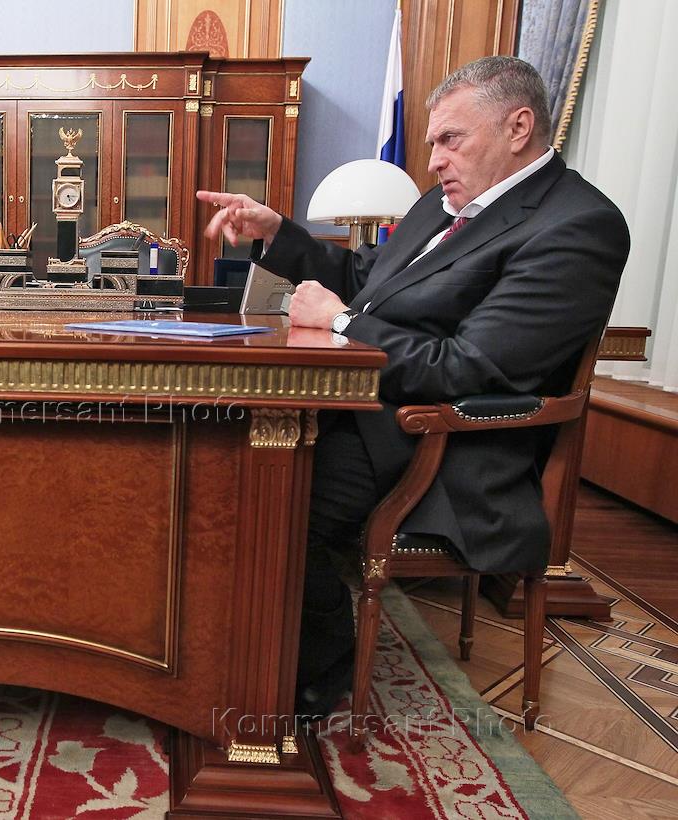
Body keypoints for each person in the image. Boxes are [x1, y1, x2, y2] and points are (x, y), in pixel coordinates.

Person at [199, 56, 630, 717]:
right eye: (431, 141)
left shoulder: (576, 225)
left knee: (268, 497)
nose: (432, 161)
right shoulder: (443, 204)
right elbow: (367, 278)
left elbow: (469, 367)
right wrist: (277, 233)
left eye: (450, 139)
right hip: (366, 411)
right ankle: (223, 639)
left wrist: (341, 322)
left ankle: (312, 674)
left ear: (518, 127)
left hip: (440, 445)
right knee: (218, 461)